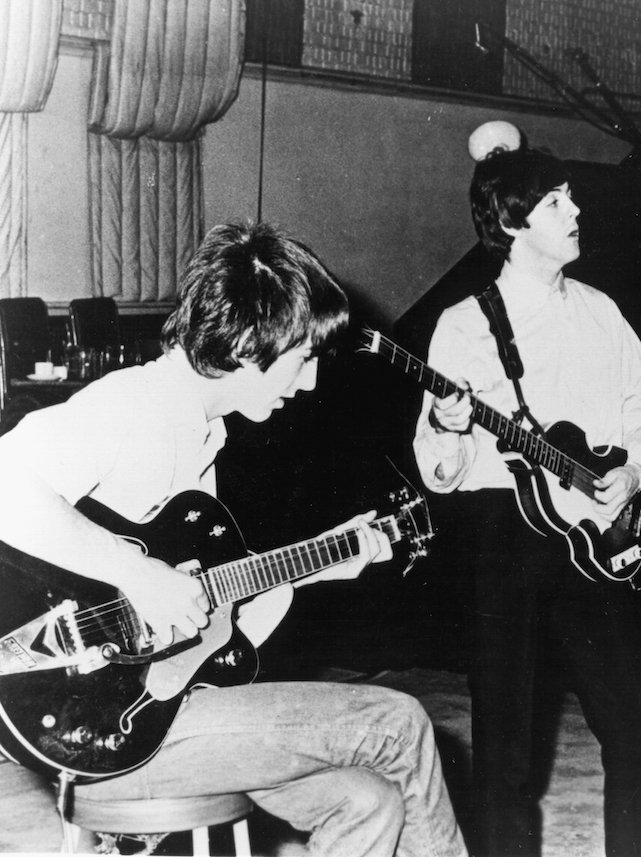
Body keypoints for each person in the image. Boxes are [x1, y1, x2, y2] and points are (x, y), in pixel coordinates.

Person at [0, 222, 467, 857]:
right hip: (105, 721)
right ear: (248, 346)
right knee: (399, 721)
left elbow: (213, 620)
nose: (307, 383)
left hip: (169, 701)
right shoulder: (132, 405)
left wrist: (325, 562)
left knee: (369, 800)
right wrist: (135, 573)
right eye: (302, 359)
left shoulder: (202, 433)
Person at [412, 143, 641, 856]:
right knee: (505, 756)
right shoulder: (465, 325)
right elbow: (440, 470)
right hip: (506, 540)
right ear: (513, 221)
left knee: (638, 735)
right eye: (557, 200)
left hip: (596, 537)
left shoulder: (601, 310)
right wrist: (447, 422)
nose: (576, 209)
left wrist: (638, 469)